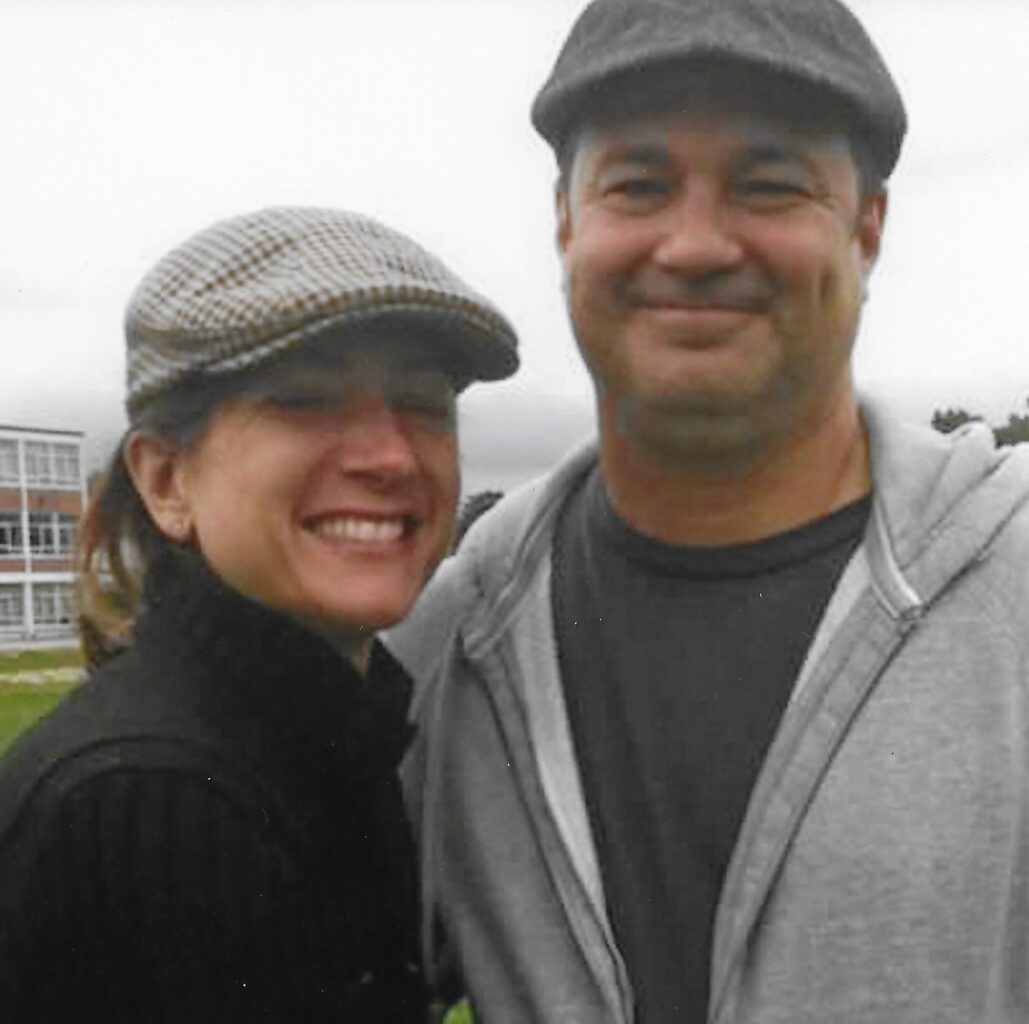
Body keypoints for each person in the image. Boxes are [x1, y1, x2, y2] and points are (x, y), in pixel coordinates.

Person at [386, 1, 1029, 1022]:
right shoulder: (453, 640)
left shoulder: (1015, 588)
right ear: (565, 220)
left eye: (768, 185)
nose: (692, 245)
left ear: (869, 227)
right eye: (638, 184)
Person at [0, 206, 517, 1023]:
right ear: (166, 481)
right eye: (304, 400)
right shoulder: (165, 799)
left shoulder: (316, 740)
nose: (389, 455)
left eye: (423, 403)